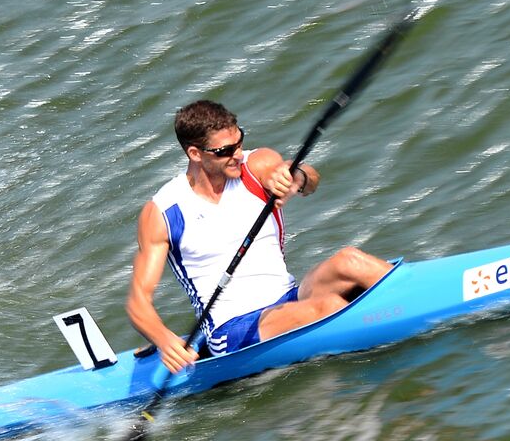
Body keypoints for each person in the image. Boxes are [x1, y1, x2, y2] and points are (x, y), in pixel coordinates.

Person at [127, 100, 392, 373]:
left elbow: (307, 176)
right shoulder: (163, 213)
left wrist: (296, 178)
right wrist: (164, 340)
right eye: (225, 151)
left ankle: (417, 298)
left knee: (351, 261)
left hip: (289, 297)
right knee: (330, 307)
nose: (238, 154)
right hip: (230, 329)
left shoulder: (256, 166)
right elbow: (138, 302)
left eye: (239, 142)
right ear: (195, 153)